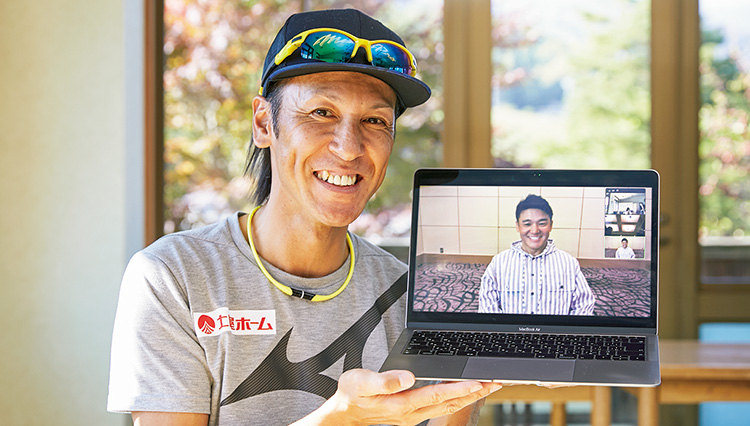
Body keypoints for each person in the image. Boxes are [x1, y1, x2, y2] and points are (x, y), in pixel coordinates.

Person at [107, 9, 500, 426]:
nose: (349, 148)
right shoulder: (174, 275)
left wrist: (472, 373)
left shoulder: (410, 299)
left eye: (375, 120)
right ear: (263, 123)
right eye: (321, 112)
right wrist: (337, 419)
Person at [478, 194, 596, 315]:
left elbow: (584, 306)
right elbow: (487, 309)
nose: (534, 230)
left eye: (542, 223)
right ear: (517, 226)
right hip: (511, 332)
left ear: (551, 225)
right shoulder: (499, 263)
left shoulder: (569, 263)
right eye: (527, 224)